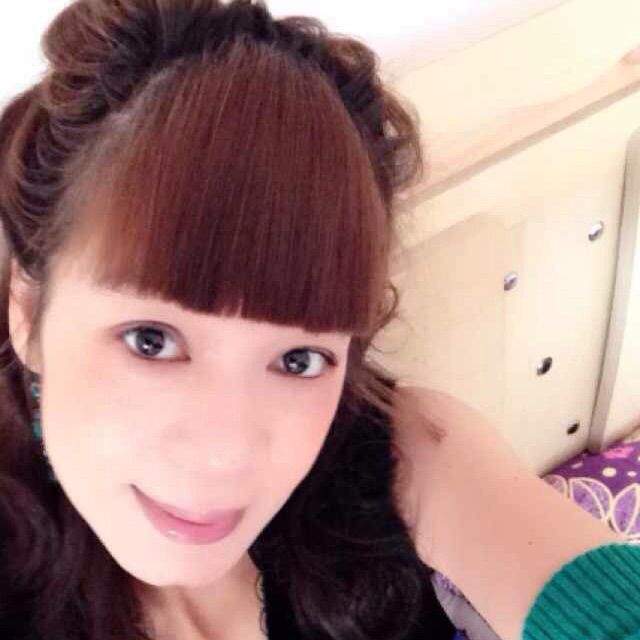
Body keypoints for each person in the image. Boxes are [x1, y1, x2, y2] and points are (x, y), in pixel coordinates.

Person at [0, 1, 637, 640]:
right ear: (27, 311)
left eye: (297, 359)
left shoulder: (396, 457)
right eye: (151, 341)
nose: (225, 455)